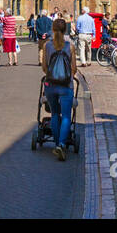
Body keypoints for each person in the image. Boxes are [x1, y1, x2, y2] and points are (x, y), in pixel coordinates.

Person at [42, 18, 78, 161]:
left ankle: (57, 143)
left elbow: (44, 67)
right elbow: (74, 68)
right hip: (65, 86)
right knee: (67, 116)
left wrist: (53, 76)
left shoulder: (47, 45)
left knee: (55, 114)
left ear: (52, 29)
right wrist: (67, 77)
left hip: (50, 85)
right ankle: (62, 145)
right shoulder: (70, 46)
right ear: (65, 30)